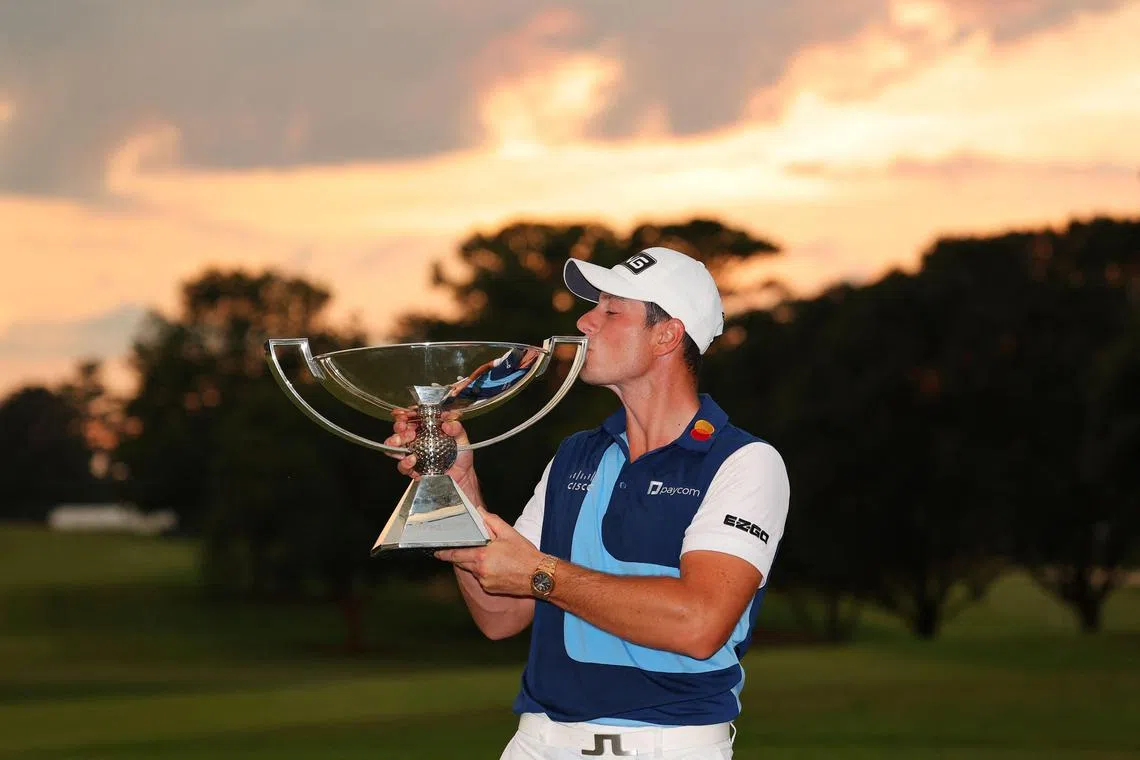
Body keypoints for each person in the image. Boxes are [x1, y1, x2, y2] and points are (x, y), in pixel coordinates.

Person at [387, 247, 790, 759]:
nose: (584, 322)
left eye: (610, 310)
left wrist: (541, 572)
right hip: (538, 741)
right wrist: (456, 484)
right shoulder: (577, 455)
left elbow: (699, 624)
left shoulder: (744, 462)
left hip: (667, 747)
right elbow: (499, 615)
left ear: (667, 335)